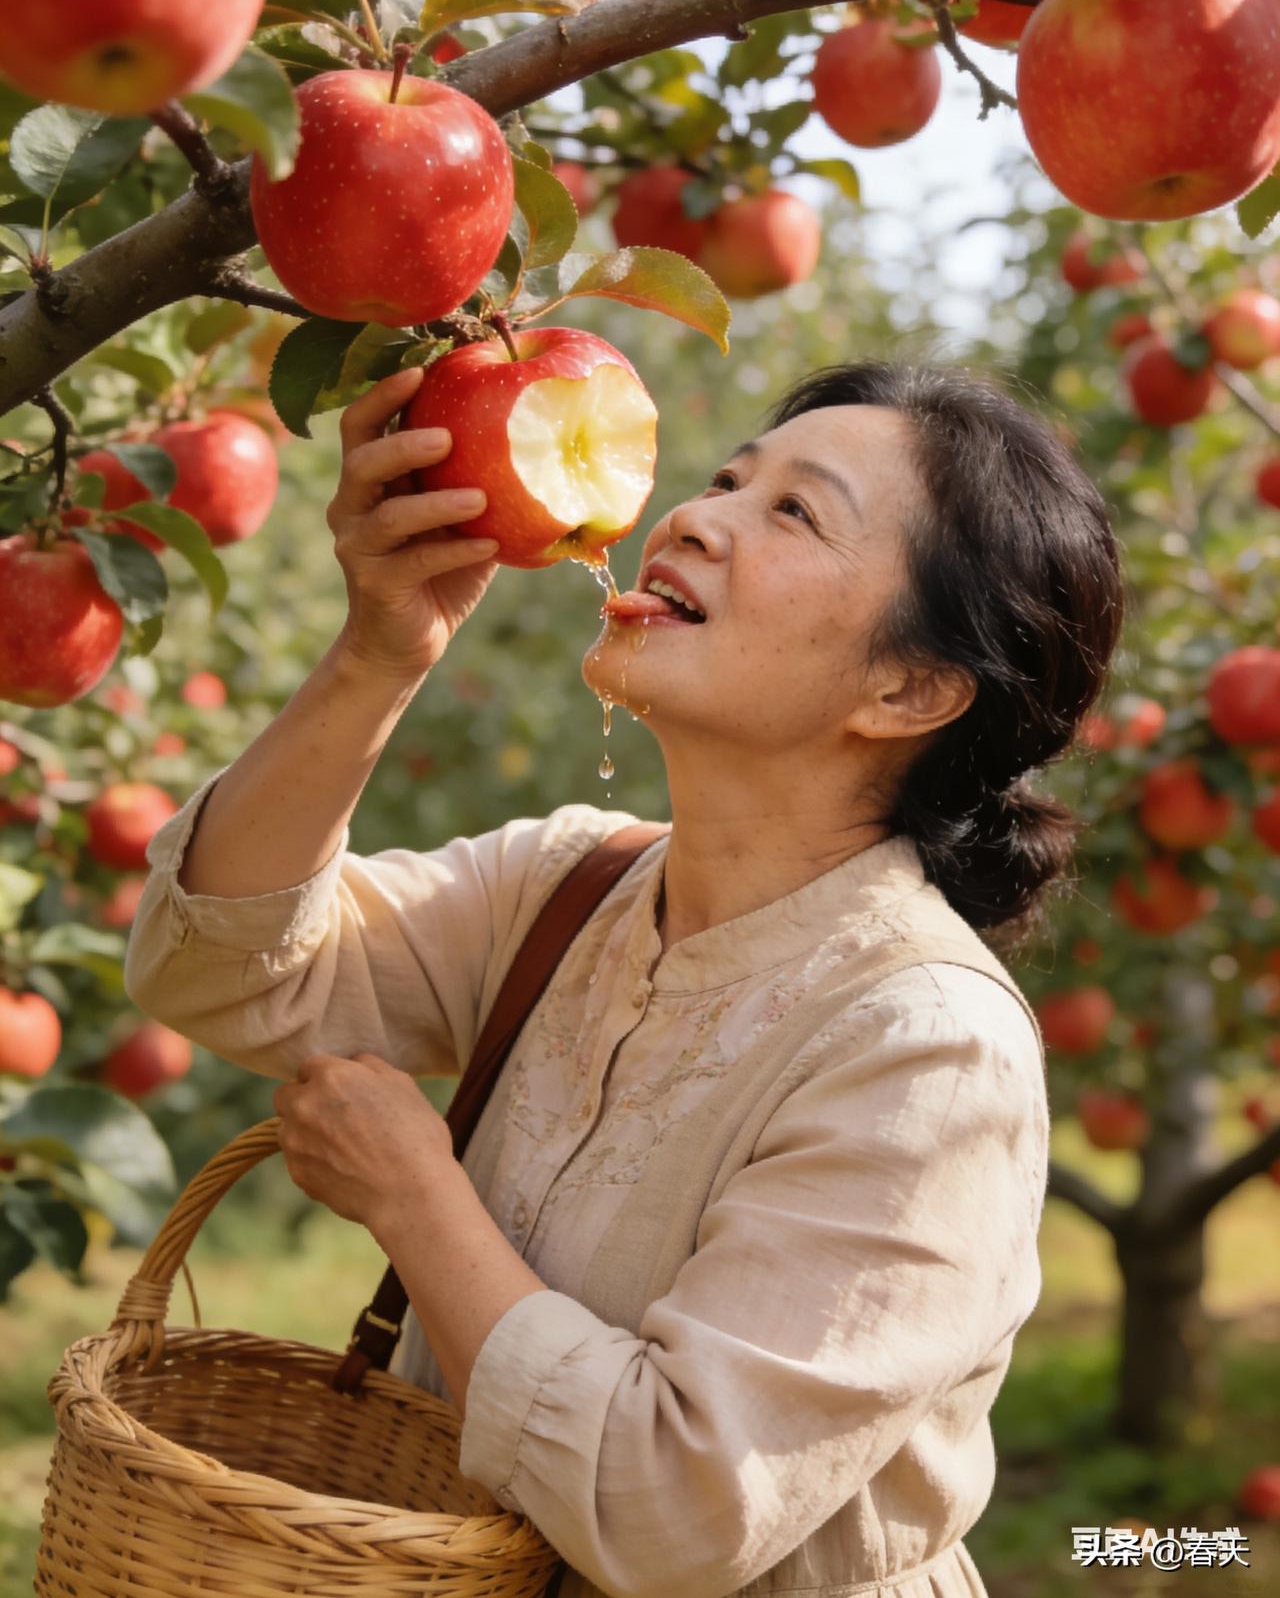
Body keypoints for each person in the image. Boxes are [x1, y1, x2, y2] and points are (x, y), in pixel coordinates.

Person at [125, 355, 1126, 1598]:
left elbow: (675, 1508)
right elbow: (211, 968)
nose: (690, 516)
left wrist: (414, 1192)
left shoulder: (922, 1045)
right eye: (722, 478)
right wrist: (380, 651)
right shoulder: (564, 887)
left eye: (792, 511)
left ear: (906, 686)